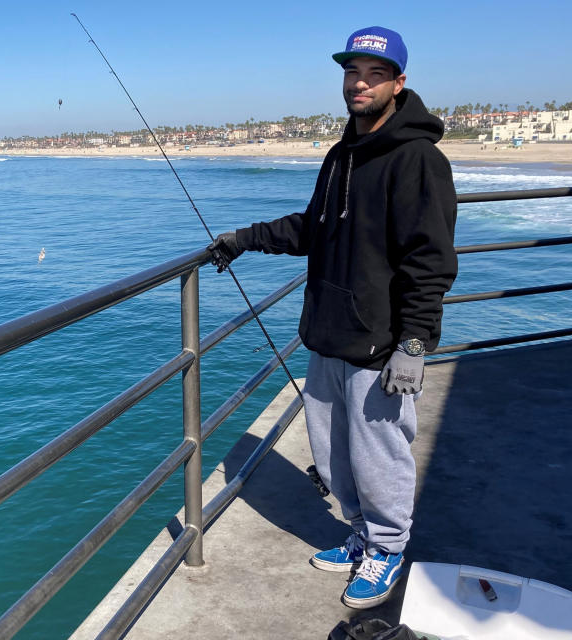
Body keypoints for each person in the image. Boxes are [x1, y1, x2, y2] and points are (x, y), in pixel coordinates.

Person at [208, 26, 457, 609]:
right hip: (327, 336)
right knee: (333, 455)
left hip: (381, 345)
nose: (360, 83)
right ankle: (360, 535)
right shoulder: (340, 154)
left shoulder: (419, 160)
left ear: (399, 82)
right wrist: (245, 238)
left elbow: (431, 260)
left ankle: (388, 550)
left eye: (374, 74)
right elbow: (313, 228)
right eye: (352, 72)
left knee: (380, 458)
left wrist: (414, 343)